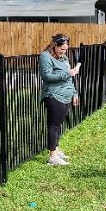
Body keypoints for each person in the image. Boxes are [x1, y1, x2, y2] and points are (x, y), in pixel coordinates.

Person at [39, 33, 80, 165]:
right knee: (53, 125)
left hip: (66, 95)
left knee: (58, 125)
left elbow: (69, 77)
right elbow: (47, 76)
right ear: (54, 45)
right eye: (62, 49)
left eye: (66, 49)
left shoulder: (64, 58)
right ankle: (52, 157)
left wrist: (74, 93)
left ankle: (56, 149)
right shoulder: (45, 56)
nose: (64, 51)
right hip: (53, 95)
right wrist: (66, 73)